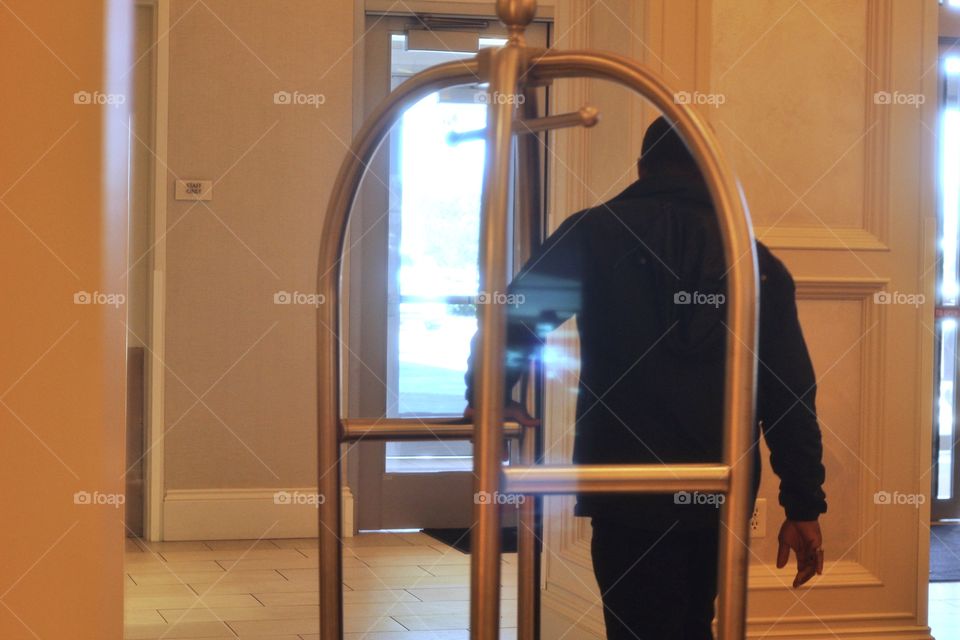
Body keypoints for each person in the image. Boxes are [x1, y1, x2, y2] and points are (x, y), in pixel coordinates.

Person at [463, 116, 827, 639]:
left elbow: (513, 318)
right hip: (718, 486)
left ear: (641, 168)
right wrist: (803, 503)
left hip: (624, 482)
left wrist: (491, 394)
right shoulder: (754, 260)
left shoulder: (593, 232)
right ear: (711, 171)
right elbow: (789, 390)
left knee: (636, 627)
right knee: (694, 622)